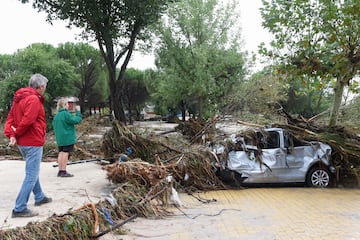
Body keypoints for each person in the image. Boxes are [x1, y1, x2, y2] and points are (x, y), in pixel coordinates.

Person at [4, 73, 52, 218]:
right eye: (45, 87)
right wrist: (16, 134)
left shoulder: (19, 99)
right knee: (32, 174)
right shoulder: (33, 100)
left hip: (23, 143)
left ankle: (39, 196)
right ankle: (19, 208)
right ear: (41, 86)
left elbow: (10, 119)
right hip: (33, 141)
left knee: (32, 170)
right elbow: (28, 121)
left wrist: (12, 135)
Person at [52, 98, 82, 177]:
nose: (69, 105)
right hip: (67, 138)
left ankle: (60, 170)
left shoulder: (57, 115)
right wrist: (78, 112)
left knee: (61, 153)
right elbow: (76, 120)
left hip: (60, 138)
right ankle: (63, 171)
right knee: (65, 153)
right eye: (67, 104)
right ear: (65, 105)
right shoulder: (66, 114)